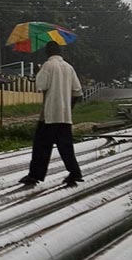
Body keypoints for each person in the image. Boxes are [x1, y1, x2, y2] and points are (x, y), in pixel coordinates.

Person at [18, 40, 84, 188]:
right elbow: (77, 91)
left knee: (41, 147)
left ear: (47, 52)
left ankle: (35, 175)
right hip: (65, 116)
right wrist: (69, 107)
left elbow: (40, 85)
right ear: (60, 52)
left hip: (49, 116)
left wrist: (37, 72)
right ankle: (75, 173)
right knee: (66, 147)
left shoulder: (48, 66)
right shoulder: (69, 67)